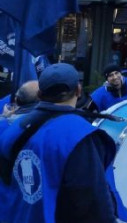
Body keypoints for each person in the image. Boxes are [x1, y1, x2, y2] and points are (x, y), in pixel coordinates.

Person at [0, 63, 117, 222]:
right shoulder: (78, 134)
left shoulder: (12, 127)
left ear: (40, 94)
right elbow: (92, 200)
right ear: (78, 90)